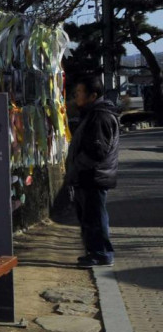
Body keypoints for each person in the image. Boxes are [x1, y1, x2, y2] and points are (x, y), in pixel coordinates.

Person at [65, 72, 119, 266]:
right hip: (88, 175)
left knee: (95, 217)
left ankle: (101, 253)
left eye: (80, 92)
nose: (76, 95)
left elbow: (97, 151)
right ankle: (95, 252)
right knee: (90, 217)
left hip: (92, 176)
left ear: (93, 95)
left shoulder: (100, 116)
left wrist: (78, 165)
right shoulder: (92, 114)